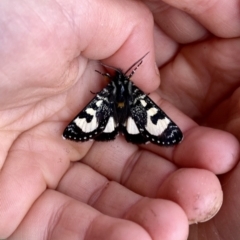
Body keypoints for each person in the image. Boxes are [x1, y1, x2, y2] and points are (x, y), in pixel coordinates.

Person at [0, 0, 239, 239]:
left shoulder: (108, 89)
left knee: (95, 118)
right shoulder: (132, 87)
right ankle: (127, 127)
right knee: (151, 119)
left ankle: (114, 126)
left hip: (108, 106)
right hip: (134, 105)